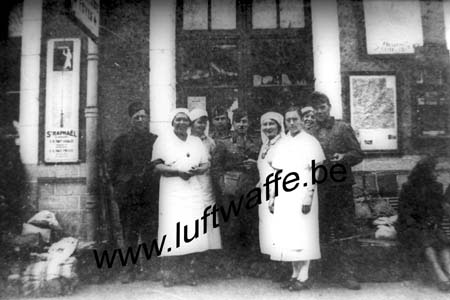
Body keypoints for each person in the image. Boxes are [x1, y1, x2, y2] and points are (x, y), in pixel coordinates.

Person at [151, 108, 214, 287]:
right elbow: (157, 166)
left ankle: (189, 273)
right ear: (172, 122)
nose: (181, 123)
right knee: (172, 230)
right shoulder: (162, 140)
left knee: (192, 230)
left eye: (185, 120)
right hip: (172, 190)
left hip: (192, 188)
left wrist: (199, 169)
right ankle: (169, 274)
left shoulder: (195, 141)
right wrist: (178, 171)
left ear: (189, 123)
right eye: (178, 120)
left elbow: (206, 162)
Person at [310, 91, 364, 290]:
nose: (319, 112)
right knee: (322, 229)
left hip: (341, 188)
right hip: (320, 188)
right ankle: (325, 273)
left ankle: (348, 274)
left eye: (322, 107)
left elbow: (358, 154)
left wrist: (343, 157)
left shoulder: (342, 127)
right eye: (315, 109)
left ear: (329, 107)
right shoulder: (311, 132)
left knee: (346, 229)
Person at [268, 106, 325, 291]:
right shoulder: (282, 143)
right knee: (289, 235)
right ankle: (294, 273)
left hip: (302, 193)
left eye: (294, 119)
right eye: (288, 120)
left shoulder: (310, 142)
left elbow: (315, 172)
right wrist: (272, 197)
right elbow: (276, 171)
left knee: (304, 234)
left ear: (301, 120)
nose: (291, 123)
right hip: (285, 195)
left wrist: (308, 196)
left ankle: (304, 275)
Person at [108, 102, 159, 284]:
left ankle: (150, 268)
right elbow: (112, 170)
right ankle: (128, 269)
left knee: (150, 233)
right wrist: (122, 187)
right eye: (136, 116)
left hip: (149, 196)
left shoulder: (155, 140)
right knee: (129, 233)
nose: (140, 120)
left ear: (148, 119)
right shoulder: (120, 142)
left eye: (143, 116)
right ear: (130, 119)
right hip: (129, 197)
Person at [211, 108, 260, 276]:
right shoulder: (224, 143)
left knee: (250, 225)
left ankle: (251, 265)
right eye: (238, 121)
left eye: (245, 121)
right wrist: (223, 187)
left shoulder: (257, 141)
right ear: (233, 123)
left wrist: (255, 165)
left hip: (251, 190)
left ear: (249, 123)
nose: (242, 125)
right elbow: (216, 168)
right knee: (231, 227)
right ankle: (231, 265)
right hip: (230, 193)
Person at [397, 156, 450, 292]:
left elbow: (438, 211)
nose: (438, 174)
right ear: (426, 171)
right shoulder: (408, 188)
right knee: (426, 239)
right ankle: (440, 275)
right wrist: (419, 224)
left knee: (441, 241)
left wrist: (434, 221)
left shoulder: (437, 187)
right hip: (410, 226)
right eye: (435, 171)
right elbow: (404, 213)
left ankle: (448, 273)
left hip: (430, 226)